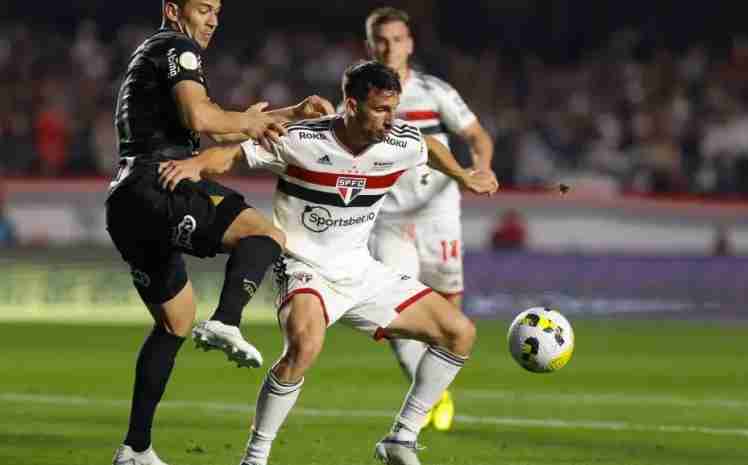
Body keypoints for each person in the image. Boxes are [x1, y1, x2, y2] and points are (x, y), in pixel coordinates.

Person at [157, 61, 499, 465]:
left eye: (394, 109)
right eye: (379, 110)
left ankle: (401, 439)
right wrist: (196, 165)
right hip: (304, 268)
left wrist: (462, 175)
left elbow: (428, 147)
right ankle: (255, 457)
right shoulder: (302, 139)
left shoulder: (399, 139)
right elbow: (234, 154)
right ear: (351, 106)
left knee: (459, 333)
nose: (391, 120)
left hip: (360, 270)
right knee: (305, 345)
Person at [107, 2, 332, 464]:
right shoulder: (177, 47)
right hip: (160, 182)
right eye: (203, 8)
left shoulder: (153, 53)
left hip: (127, 201)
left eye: (218, 11)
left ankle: (135, 449)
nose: (213, 19)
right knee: (265, 235)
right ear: (173, 9)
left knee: (175, 322)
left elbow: (219, 125)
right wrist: (245, 120)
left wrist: (292, 112)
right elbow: (201, 119)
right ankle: (228, 319)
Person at [362, 6, 495, 431]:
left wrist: (482, 167)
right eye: (381, 40)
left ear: (410, 44)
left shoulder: (434, 91)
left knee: (448, 309)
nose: (389, 47)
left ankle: (435, 382)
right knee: (392, 312)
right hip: (386, 216)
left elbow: (476, 135)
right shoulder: (360, 97)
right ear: (370, 46)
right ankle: (431, 396)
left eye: (397, 39)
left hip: (438, 211)